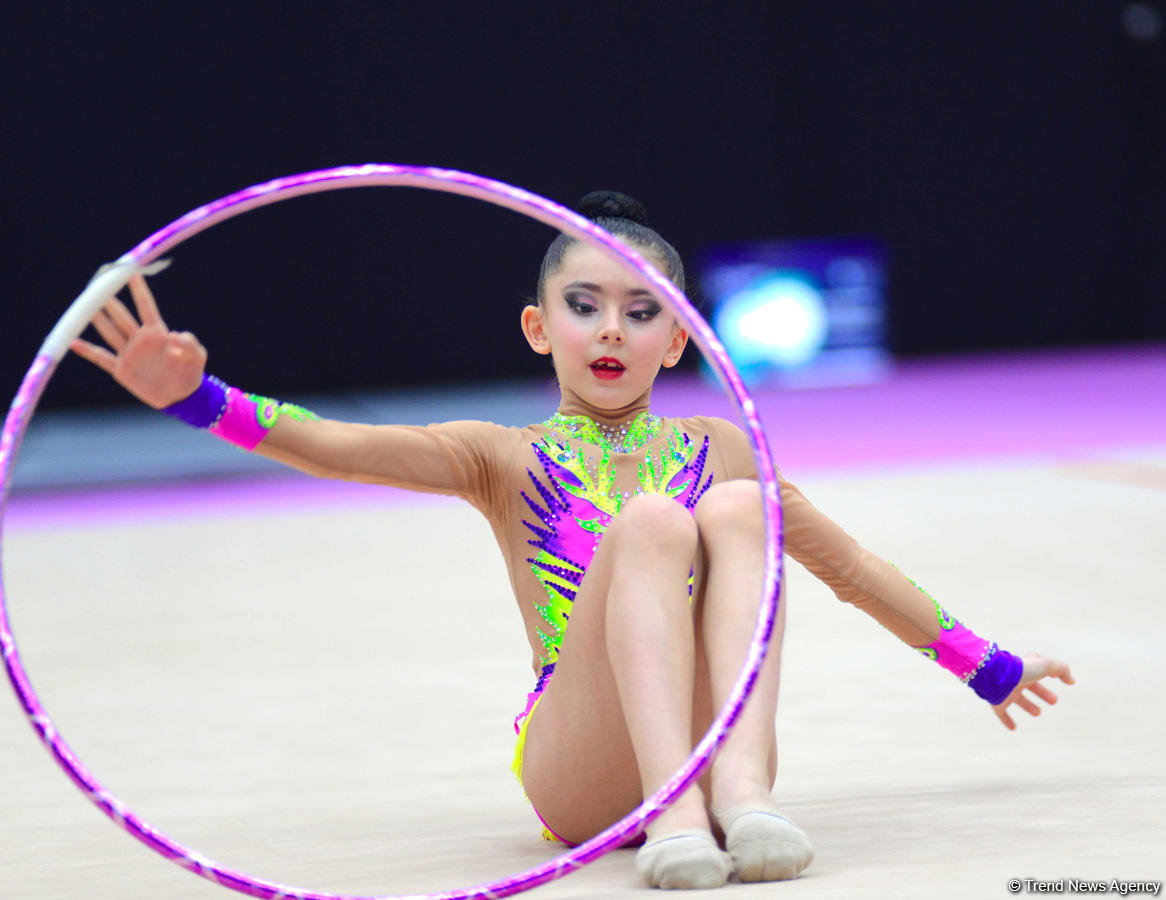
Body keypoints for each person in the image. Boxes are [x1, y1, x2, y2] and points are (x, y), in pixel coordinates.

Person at [70, 191, 1074, 890]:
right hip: (578, 766)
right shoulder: (498, 456)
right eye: (583, 306)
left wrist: (982, 664)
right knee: (652, 520)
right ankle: (674, 818)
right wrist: (199, 400)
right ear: (537, 325)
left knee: (733, 506)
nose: (611, 331)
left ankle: (743, 796)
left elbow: (847, 567)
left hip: (720, 744)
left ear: (679, 339)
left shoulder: (721, 445)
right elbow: (340, 447)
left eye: (642, 312)